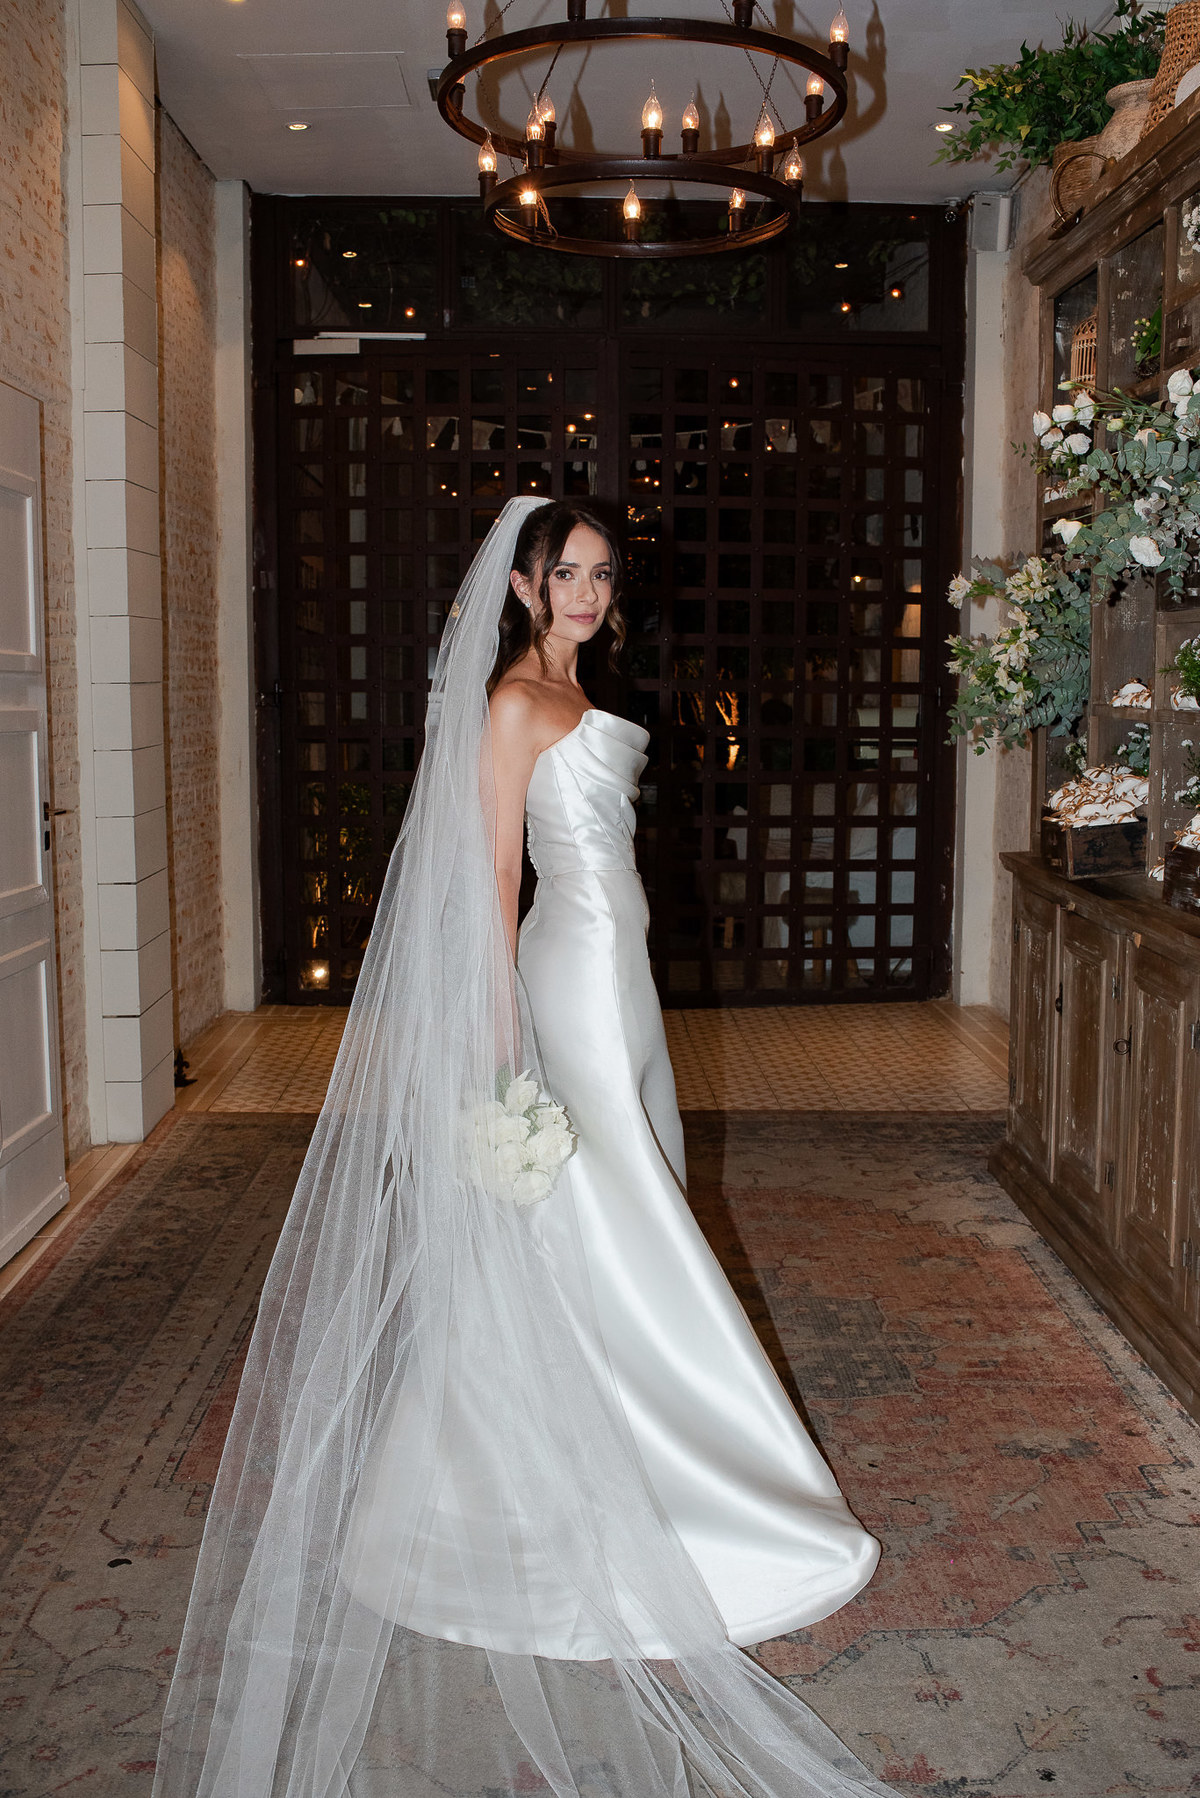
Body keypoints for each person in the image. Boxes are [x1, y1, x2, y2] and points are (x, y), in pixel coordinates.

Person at [153, 496, 898, 1798]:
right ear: (524, 585)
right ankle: (643, 1463)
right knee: (613, 1203)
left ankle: (624, 1425)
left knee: (624, 1189)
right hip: (571, 975)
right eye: (568, 574)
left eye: (603, 574)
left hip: (618, 970)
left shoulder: (572, 685)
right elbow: (495, 877)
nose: (589, 593)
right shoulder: (510, 701)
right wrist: (501, 1050)